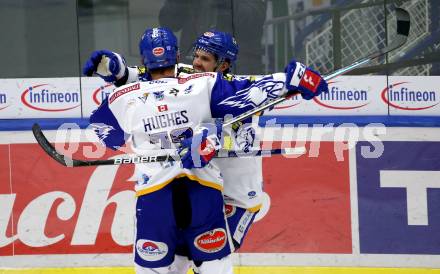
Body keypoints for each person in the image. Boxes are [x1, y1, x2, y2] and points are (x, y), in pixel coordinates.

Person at [85, 27, 327, 273]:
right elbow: (156, 81)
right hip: (201, 185)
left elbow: (256, 94)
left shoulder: (225, 88)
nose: (197, 64)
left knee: (205, 258)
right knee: (180, 261)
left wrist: (293, 80)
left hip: (237, 196)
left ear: (223, 65)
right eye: (196, 56)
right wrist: (122, 72)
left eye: (206, 59)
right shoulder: (194, 78)